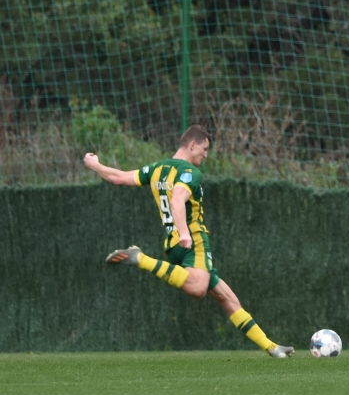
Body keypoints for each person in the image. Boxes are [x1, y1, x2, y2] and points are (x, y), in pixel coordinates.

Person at [84, 125, 294, 358]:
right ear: (192, 145)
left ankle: (272, 347)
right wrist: (185, 233)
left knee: (228, 298)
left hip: (173, 246)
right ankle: (140, 258)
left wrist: (95, 165)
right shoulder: (190, 173)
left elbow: (118, 178)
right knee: (197, 288)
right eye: (204, 149)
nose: (206, 154)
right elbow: (176, 200)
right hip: (193, 242)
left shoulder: (156, 169)